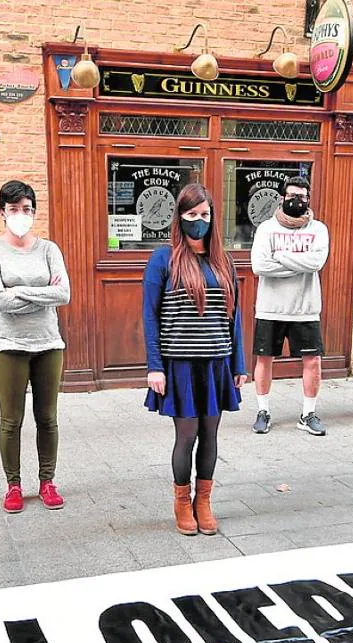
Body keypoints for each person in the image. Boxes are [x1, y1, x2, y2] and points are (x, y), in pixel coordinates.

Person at [143, 183, 248, 536]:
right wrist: (155, 366)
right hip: (181, 364)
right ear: (180, 217)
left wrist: (239, 365)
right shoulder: (163, 259)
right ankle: (181, 501)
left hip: (217, 361)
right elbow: (150, 314)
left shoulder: (223, 261)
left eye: (204, 214)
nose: (199, 221)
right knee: (186, 435)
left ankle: (204, 501)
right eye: (191, 214)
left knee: (211, 434)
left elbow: (234, 317)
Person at [0, 180, 71, 513]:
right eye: (14, 209)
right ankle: (13, 485)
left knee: (47, 418)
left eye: (27, 209)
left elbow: (64, 295)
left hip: (48, 344)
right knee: (11, 420)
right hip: (7, 346)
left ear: (34, 212)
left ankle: (47, 481)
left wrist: (17, 291)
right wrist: (41, 293)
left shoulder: (49, 250)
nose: (21, 215)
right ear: (2, 212)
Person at [249, 176, 330, 435]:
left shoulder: (318, 229)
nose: (297, 200)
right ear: (282, 198)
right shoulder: (265, 229)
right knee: (264, 359)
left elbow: (316, 263)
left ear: (308, 200)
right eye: (292, 195)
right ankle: (263, 411)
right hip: (270, 308)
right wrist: (298, 264)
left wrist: (281, 257)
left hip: (305, 308)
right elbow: (260, 267)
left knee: (312, 361)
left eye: (302, 197)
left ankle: (308, 414)